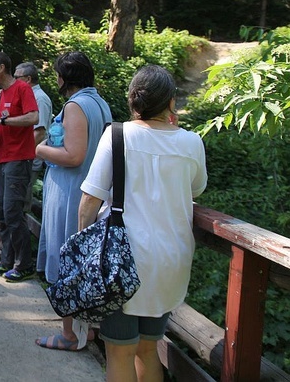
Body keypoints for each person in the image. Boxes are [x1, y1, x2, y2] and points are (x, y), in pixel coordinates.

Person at [78, 65, 207, 380]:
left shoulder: (118, 135)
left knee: (120, 351)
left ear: (132, 100)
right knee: (149, 349)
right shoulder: (191, 142)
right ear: (171, 103)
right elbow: (197, 188)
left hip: (123, 259)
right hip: (170, 261)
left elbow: (90, 201)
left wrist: (84, 249)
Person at [35, 51, 112, 350]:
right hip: (91, 191)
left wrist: (40, 150)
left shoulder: (76, 105)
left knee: (67, 257)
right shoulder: (100, 103)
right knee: (82, 260)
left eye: (57, 74)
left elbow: (73, 155)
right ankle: (84, 328)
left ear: (65, 78)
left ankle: (70, 334)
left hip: (71, 194)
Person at [0, 52, 39, 282]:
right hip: (2, 158)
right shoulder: (3, 93)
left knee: (13, 212)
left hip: (18, 159)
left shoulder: (22, 89)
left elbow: (33, 117)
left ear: (2, 68)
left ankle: (24, 264)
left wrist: (2, 121)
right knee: (2, 211)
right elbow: (5, 122)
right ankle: (7, 261)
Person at [14, 62, 53, 215]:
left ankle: (21, 237)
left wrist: (19, 154)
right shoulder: (28, 95)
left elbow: (39, 132)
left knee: (22, 201)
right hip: (23, 156)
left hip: (29, 158)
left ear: (28, 79)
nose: (14, 81)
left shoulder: (40, 98)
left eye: (17, 77)